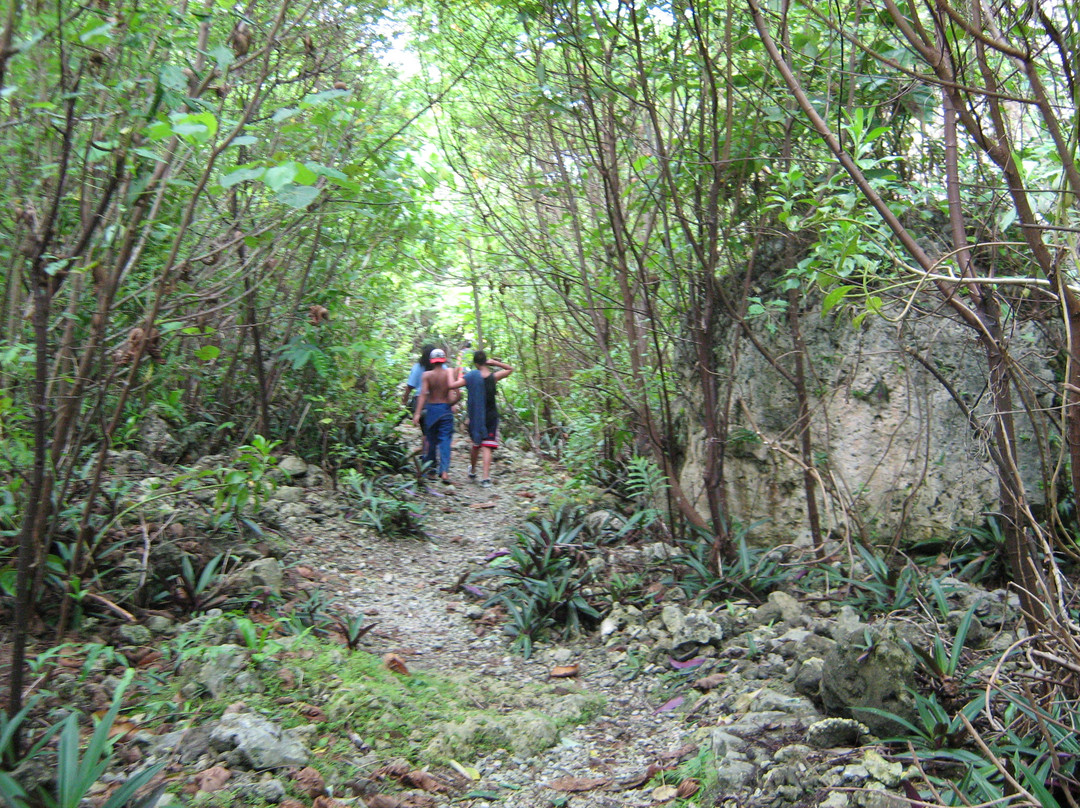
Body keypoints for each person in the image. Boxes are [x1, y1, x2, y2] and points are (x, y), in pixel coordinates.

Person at [413, 348, 465, 484]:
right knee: (445, 441)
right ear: (444, 360)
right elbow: (457, 394)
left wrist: (417, 413)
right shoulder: (449, 372)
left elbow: (423, 394)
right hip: (445, 410)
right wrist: (452, 402)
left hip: (431, 410)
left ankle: (430, 471)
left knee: (430, 440)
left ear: (431, 361)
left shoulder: (426, 375)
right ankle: (444, 472)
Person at [463, 350, 513, 488]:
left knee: (476, 444)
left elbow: (456, 384)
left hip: (476, 416)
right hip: (491, 415)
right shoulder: (493, 377)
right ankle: (486, 478)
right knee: (487, 446)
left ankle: (472, 470)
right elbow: (510, 369)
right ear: (486, 361)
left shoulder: (472, 378)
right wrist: (494, 362)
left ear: (475, 363)